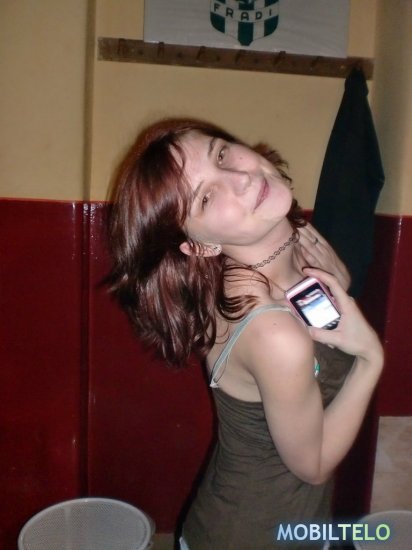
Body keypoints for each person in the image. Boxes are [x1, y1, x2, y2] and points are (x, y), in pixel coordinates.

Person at [108, 118, 383, 549]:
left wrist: (340, 286)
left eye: (221, 153)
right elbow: (313, 465)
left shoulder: (291, 244)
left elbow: (322, 341)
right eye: (206, 197)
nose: (241, 177)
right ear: (199, 246)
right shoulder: (271, 330)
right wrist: (371, 359)